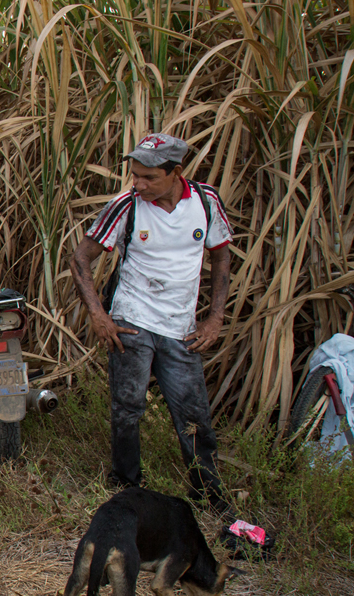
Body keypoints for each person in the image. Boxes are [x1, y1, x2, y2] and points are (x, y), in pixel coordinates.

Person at [70, 133, 234, 514]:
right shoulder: (127, 205)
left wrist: (214, 319)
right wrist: (99, 314)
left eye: (148, 177)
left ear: (176, 172)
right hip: (133, 320)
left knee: (193, 415)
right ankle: (127, 485)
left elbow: (222, 259)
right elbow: (81, 258)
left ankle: (208, 493)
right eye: (135, 175)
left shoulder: (205, 203)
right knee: (128, 408)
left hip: (181, 327)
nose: (138, 184)